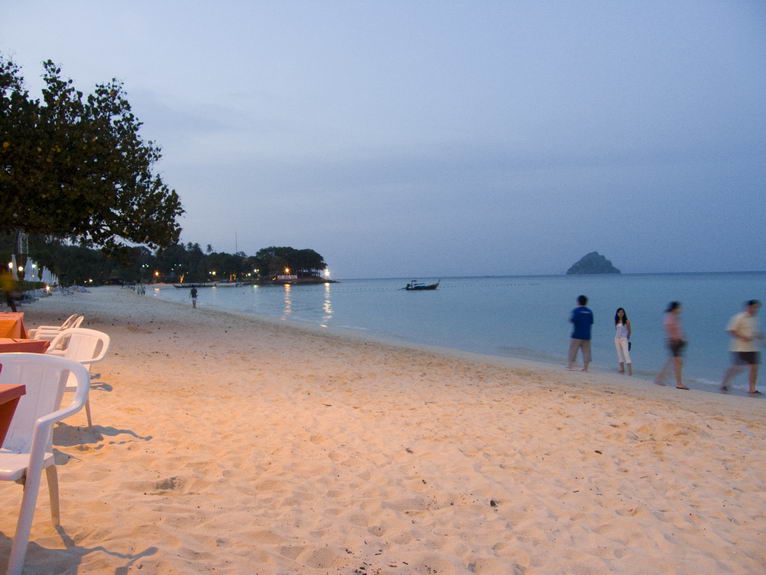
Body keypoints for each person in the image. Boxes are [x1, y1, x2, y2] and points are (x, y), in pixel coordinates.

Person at [720, 300, 763, 395]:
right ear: (748, 307)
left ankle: (752, 389)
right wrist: (743, 337)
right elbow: (731, 330)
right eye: (754, 307)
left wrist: (763, 340)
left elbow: (757, 333)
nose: (755, 309)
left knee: (754, 367)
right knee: (738, 367)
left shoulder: (755, 319)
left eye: (757, 308)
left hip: (753, 347)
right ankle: (724, 383)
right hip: (740, 347)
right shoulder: (739, 317)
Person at [655, 301, 689, 390]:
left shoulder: (674, 317)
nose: (680, 310)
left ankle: (660, 378)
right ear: (675, 308)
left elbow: (677, 330)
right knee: (677, 362)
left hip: (676, 342)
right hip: (674, 343)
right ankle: (678, 383)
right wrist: (675, 339)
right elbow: (669, 329)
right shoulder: (670, 317)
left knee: (673, 361)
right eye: (679, 308)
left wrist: (682, 337)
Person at [568, 295, 594, 372]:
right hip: (587, 335)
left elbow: (572, 320)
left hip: (577, 334)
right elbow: (591, 322)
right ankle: (585, 368)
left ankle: (571, 366)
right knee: (586, 352)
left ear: (578, 302)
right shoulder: (589, 312)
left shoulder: (576, 311)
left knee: (573, 350)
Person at [614, 307, 632, 375]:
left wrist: (627, 338)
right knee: (619, 354)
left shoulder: (627, 321)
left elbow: (629, 331)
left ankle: (630, 371)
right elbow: (617, 330)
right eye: (619, 312)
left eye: (622, 312)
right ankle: (622, 369)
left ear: (624, 313)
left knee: (626, 354)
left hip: (624, 339)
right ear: (617, 313)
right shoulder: (617, 321)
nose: (620, 313)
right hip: (617, 339)